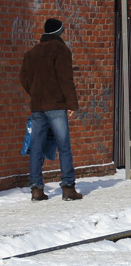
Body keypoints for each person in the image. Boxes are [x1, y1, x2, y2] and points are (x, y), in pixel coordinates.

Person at [19, 18, 83, 201]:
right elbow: (65, 79)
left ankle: (36, 190)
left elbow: (23, 77)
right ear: (59, 32)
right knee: (64, 147)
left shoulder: (31, 53)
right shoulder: (61, 50)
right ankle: (68, 188)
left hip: (38, 106)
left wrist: (34, 93)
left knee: (37, 148)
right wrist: (72, 104)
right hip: (56, 105)